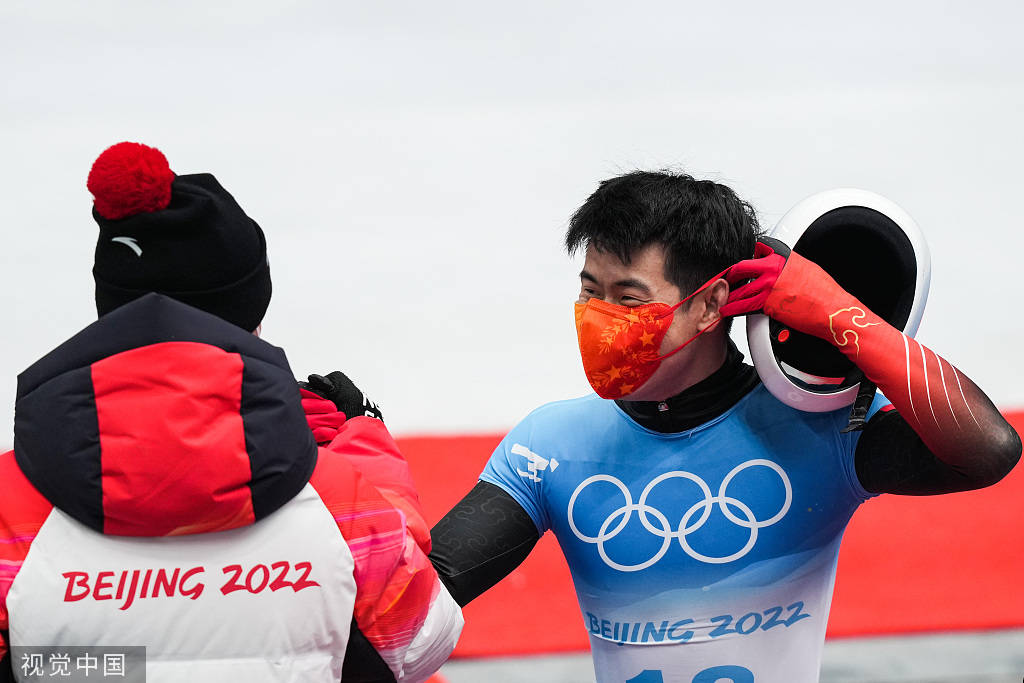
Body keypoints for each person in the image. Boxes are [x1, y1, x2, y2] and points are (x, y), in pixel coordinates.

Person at [417, 171, 1020, 683]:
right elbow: (415, 607)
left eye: (628, 299)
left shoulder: (821, 430)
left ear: (710, 305)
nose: (601, 319)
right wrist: (341, 475)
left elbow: (987, 452)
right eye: (589, 291)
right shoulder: (551, 445)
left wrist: (841, 315)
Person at [0, 142, 462, 683]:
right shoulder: (337, 493)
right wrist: (370, 464)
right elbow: (421, 646)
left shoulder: (10, 501)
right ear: (251, 320)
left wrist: (110, 668)